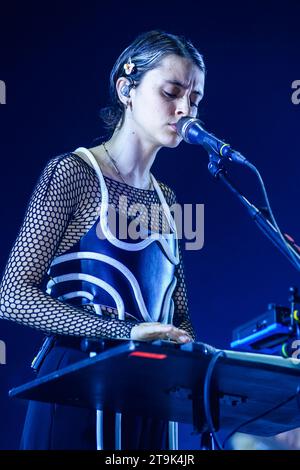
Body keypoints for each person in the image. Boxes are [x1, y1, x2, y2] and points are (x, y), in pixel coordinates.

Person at [0, 30, 205, 450]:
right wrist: (123, 332)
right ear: (126, 89)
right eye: (171, 91)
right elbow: (12, 296)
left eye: (196, 99)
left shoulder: (166, 200)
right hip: (77, 387)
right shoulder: (73, 173)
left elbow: (178, 315)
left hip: (149, 397)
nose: (185, 109)